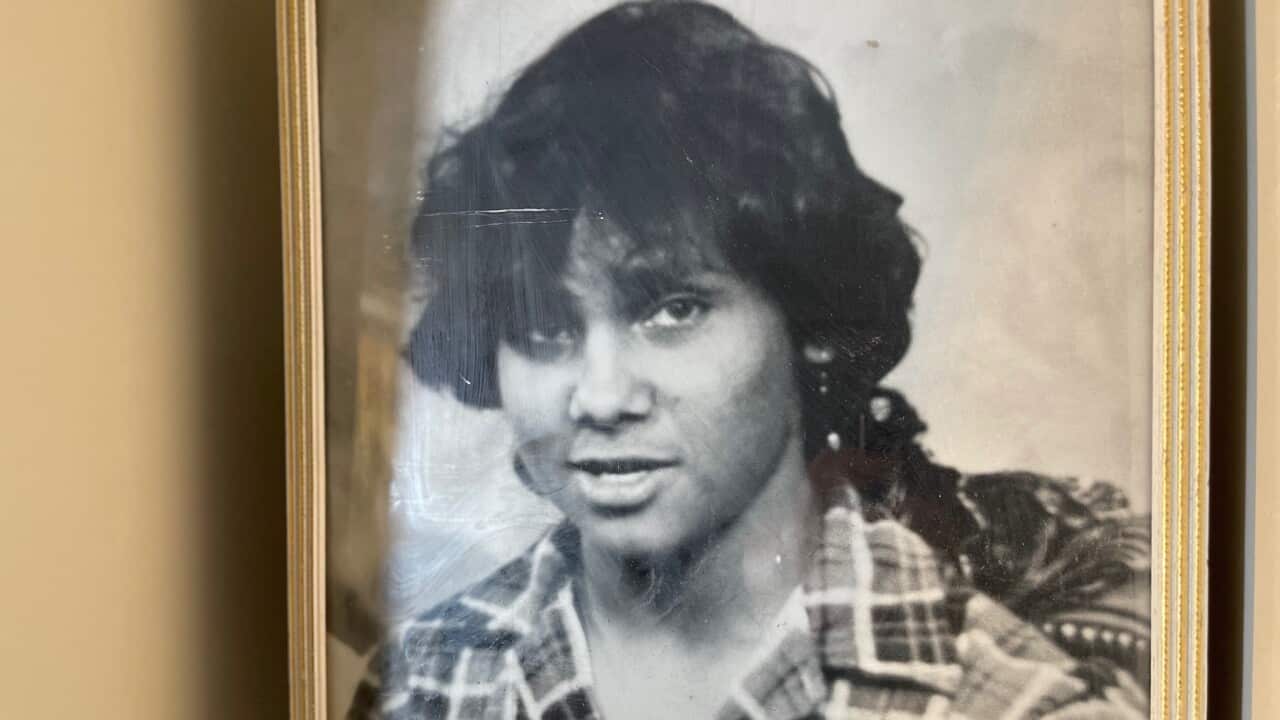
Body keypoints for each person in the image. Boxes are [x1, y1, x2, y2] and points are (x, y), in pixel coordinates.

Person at [349, 2, 1147, 717]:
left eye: (673, 310)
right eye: (545, 329)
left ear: (811, 317)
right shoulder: (422, 685)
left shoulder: (1017, 706)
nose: (601, 396)